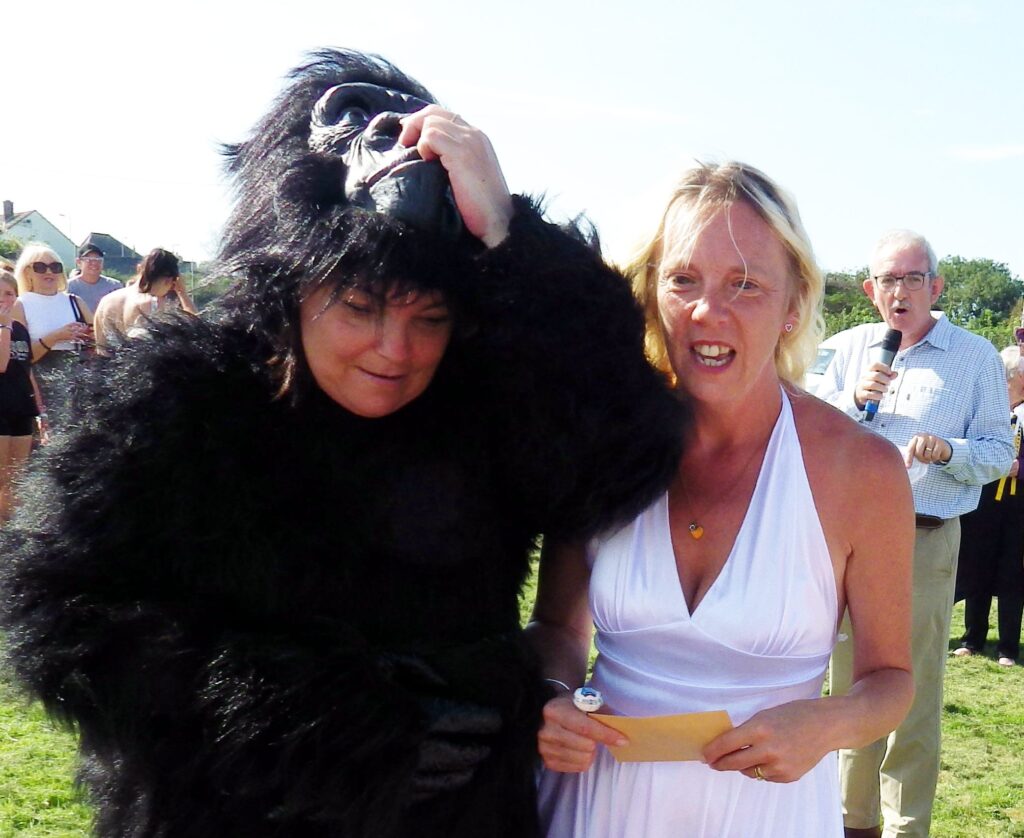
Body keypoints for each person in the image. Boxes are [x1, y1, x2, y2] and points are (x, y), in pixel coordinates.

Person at [0, 49, 683, 838]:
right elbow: (61, 620)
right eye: (360, 306)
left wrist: (510, 234)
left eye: (430, 317)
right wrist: (316, 721)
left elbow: (620, 466)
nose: (395, 349)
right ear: (290, 285)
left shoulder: (483, 396)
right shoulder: (177, 400)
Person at [532, 162, 915, 838]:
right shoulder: (598, 444)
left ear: (794, 302)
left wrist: (826, 724)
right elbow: (557, 630)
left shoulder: (861, 470)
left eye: (745, 284)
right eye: (683, 279)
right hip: (595, 807)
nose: (709, 311)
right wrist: (554, 697)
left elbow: (890, 679)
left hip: (768, 814)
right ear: (650, 291)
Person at [817, 229, 1014, 838]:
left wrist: (948, 450)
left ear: (936, 285)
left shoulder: (974, 356)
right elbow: (798, 428)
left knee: (912, 692)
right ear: (869, 289)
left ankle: (906, 827)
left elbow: (998, 453)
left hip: (923, 540)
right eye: (887, 280)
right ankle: (850, 822)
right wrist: (851, 400)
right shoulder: (845, 349)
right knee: (847, 689)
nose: (899, 291)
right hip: (843, 541)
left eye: (912, 278)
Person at [952, 345, 1024, 667]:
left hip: (1018, 507)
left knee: (1012, 574)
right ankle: (972, 639)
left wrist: (1019, 468)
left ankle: (1008, 647)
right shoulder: (988, 411)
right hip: (983, 502)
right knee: (977, 567)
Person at [14, 243, 94, 428]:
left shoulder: (75, 301)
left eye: (55, 267)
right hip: (39, 381)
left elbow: (97, 340)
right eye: (40, 267)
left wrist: (87, 336)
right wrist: (56, 336)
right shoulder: (21, 305)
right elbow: (21, 358)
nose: (49, 272)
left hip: (77, 379)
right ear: (27, 272)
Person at [93, 247, 197, 353]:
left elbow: (101, 349)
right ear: (169, 280)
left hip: (113, 362)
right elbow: (196, 328)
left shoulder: (106, 301)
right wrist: (182, 293)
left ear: (140, 269)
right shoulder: (153, 303)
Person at [0, 269, 42, 521]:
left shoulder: (20, 329)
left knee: (16, 478)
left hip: (21, 407)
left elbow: (27, 368)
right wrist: (4, 325)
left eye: (9, 294)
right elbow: (1, 363)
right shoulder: (6, 327)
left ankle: (11, 530)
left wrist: (40, 408)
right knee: (1, 475)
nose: (3, 299)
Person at [68, 244, 123, 312]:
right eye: (88, 260)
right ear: (78, 262)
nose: (94, 263)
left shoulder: (115, 286)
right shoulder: (69, 287)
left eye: (98, 260)